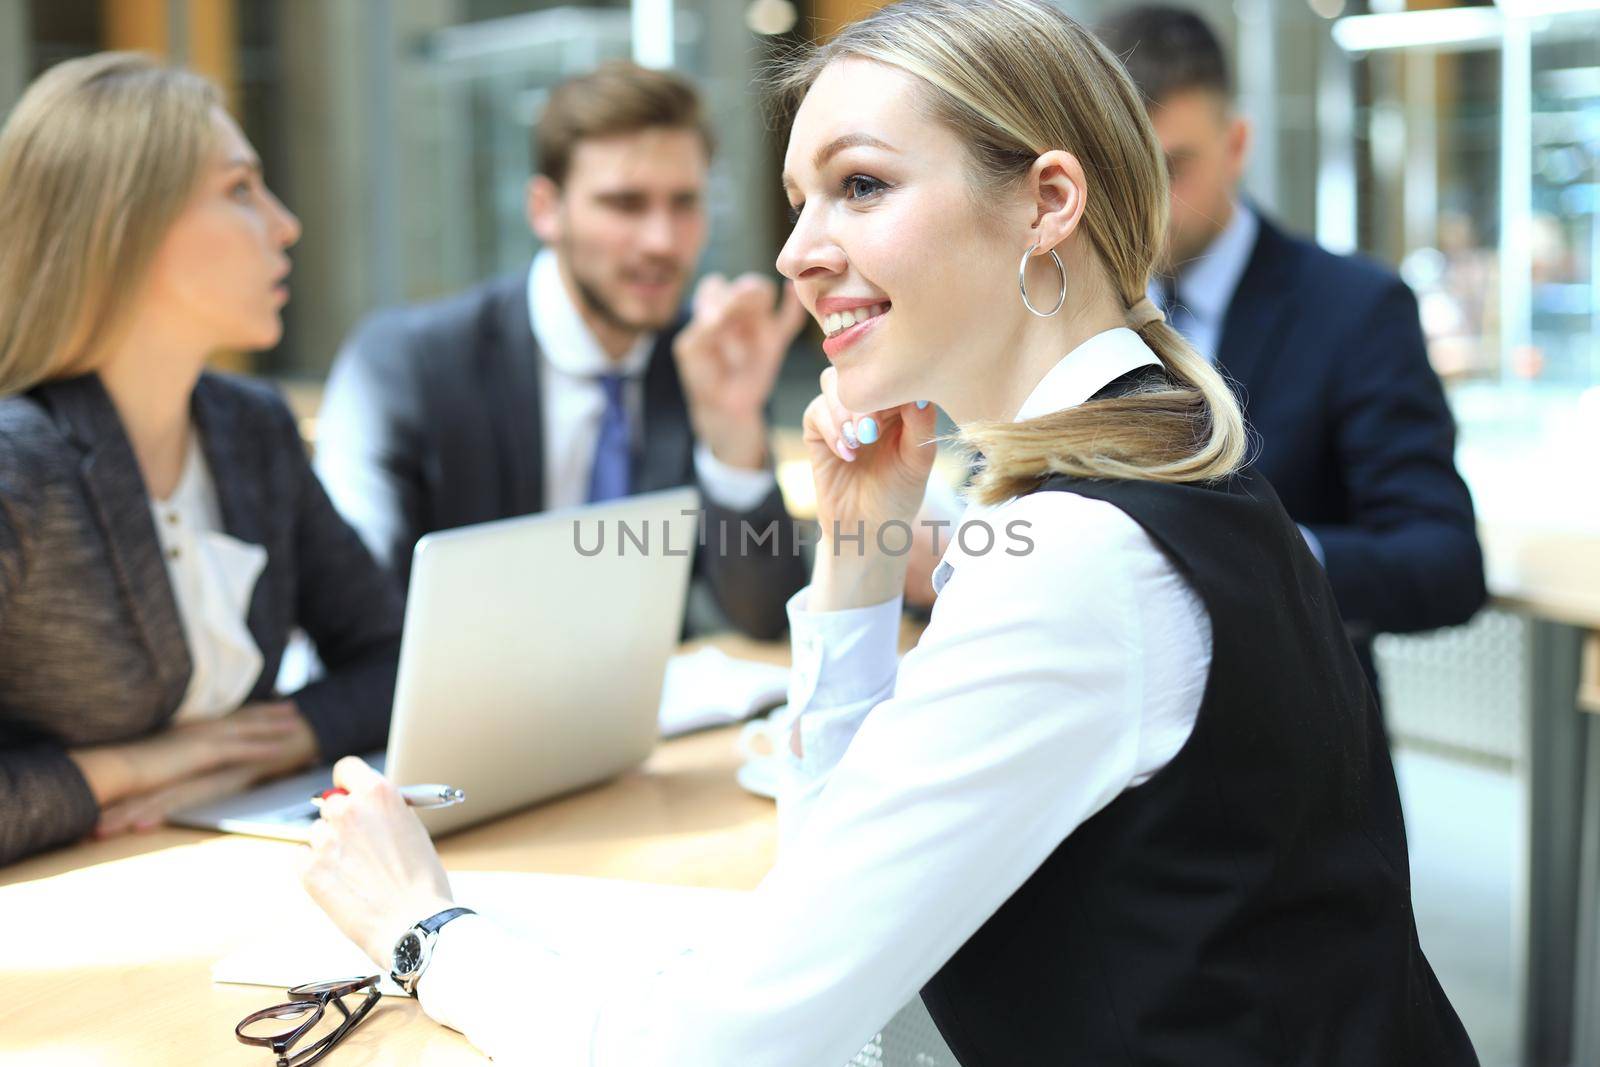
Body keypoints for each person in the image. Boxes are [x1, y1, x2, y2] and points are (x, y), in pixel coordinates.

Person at [301, 2, 1479, 1063]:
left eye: (859, 186)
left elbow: (708, 1050)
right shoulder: (1152, 460)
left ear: (1046, 202)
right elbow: (837, 878)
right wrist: (860, 565)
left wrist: (426, 929)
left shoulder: (1081, 553)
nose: (794, 250)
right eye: (801, 195)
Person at [0, 54, 403, 867]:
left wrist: (270, 743)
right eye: (240, 190)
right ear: (126, 225)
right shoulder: (17, 467)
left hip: (226, 866)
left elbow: (394, 657)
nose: (285, 224)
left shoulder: (251, 426)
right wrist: (136, 767)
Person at [315, 61, 808, 640]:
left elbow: (768, 620)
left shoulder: (703, 361)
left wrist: (732, 435)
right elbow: (360, 625)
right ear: (545, 210)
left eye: (684, 203)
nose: (662, 241)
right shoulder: (408, 367)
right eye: (625, 204)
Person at [1098, 5, 1486, 689]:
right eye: (1119, 171)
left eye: (1172, 167)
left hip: (1297, 747)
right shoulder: (1078, 305)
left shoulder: (1355, 308)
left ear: (1238, 143)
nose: (1145, 203)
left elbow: (1445, 562)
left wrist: (1258, 552)